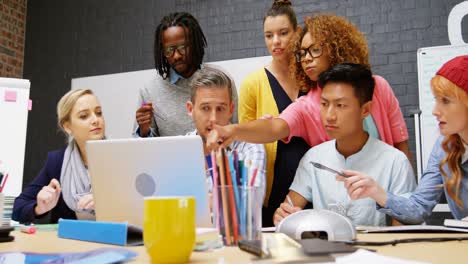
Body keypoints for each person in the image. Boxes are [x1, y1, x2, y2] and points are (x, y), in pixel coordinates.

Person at [207, 14, 412, 164]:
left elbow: (400, 144)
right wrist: (231, 130)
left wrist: (405, 198)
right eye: (302, 52)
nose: (306, 58)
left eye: (315, 50)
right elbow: (274, 127)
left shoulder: (378, 87)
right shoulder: (307, 105)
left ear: (336, 48)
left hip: (386, 194)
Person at [273, 63, 416, 226]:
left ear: (365, 110)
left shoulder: (395, 162)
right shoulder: (314, 158)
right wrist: (283, 217)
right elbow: (288, 211)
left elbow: (403, 231)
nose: (329, 116)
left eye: (340, 105)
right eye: (324, 104)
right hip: (326, 250)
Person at [337, 56, 468, 224]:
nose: (435, 111)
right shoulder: (444, 147)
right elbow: (418, 208)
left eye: (446, 101)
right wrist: (377, 192)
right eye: (436, 100)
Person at [238, 0, 309, 227]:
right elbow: (243, 144)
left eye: (283, 33)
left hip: (314, 186)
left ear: (297, 33)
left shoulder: (311, 77)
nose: (276, 41)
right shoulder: (252, 84)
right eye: (269, 35)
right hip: (273, 188)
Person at [134, 12, 237, 138]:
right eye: (169, 50)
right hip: (172, 157)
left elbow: (237, 126)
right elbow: (141, 145)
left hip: (216, 156)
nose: (176, 56)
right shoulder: (149, 91)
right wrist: (144, 131)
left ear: (194, 44)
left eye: (183, 48)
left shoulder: (220, 79)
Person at [13, 89, 106, 224]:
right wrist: (39, 208)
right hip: (69, 243)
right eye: (84, 116)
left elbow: (141, 205)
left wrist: (108, 202)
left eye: (99, 113)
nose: (95, 120)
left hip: (114, 241)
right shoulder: (57, 162)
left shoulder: (121, 157)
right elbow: (18, 207)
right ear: (67, 127)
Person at [186, 67, 266, 191]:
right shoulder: (179, 149)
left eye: (220, 109)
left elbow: (247, 204)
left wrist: (221, 160)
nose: (213, 119)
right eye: (205, 108)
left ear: (231, 110)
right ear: (191, 109)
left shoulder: (250, 148)